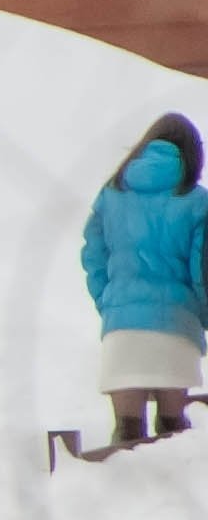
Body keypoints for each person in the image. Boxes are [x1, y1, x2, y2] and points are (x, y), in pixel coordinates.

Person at [80, 115, 206, 446]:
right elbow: (201, 269)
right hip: (177, 325)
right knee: (173, 434)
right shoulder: (197, 201)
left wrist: (109, 303)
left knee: (126, 437)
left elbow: (94, 257)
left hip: (122, 326)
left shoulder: (111, 194)